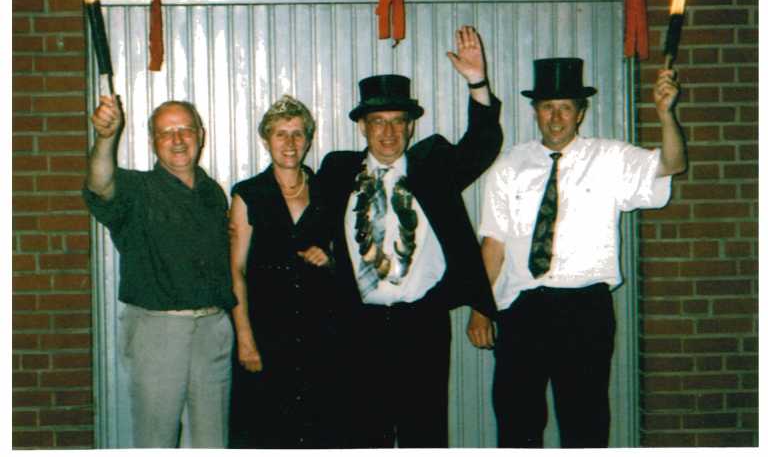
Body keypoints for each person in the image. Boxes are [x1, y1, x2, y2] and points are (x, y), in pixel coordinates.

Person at [472, 57, 687, 448]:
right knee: (517, 423)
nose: (556, 118)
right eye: (547, 107)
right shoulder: (509, 165)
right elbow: (494, 243)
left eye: (566, 108)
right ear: (535, 111)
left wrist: (665, 114)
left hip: (584, 311)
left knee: (584, 426)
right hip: (522, 311)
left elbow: (672, 164)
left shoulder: (610, 158)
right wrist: (480, 308)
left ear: (581, 113)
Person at [317, 25, 502, 448]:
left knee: (424, 434)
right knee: (363, 436)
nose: (388, 133)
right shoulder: (337, 171)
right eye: (377, 122)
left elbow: (483, 144)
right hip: (357, 327)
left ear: (411, 127)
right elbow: (307, 213)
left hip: (422, 325)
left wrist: (477, 82)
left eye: (398, 122)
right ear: (362, 127)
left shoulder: (434, 167)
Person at [82, 95, 236, 448]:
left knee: (214, 442)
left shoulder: (213, 193)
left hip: (212, 329)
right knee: (157, 440)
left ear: (201, 134)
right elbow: (100, 184)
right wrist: (106, 138)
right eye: (166, 132)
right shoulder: (137, 189)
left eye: (185, 129)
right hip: (159, 331)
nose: (178, 139)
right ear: (153, 141)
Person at [228, 96, 346, 448]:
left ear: (309, 140)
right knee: (265, 432)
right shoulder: (248, 194)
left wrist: (330, 260)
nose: (290, 143)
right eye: (281, 134)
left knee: (319, 432)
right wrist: (245, 339)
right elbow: (235, 269)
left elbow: (347, 258)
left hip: (320, 335)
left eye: (298, 134)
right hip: (267, 334)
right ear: (266, 140)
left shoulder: (328, 191)